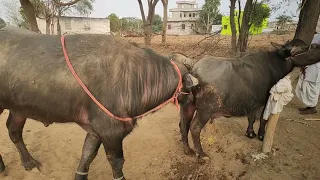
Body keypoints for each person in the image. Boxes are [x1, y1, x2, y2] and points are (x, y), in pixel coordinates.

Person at [295, 32, 320, 115]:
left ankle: (312, 108)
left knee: (313, 87)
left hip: (317, 66)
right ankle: (309, 106)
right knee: (306, 85)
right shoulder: (315, 36)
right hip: (310, 63)